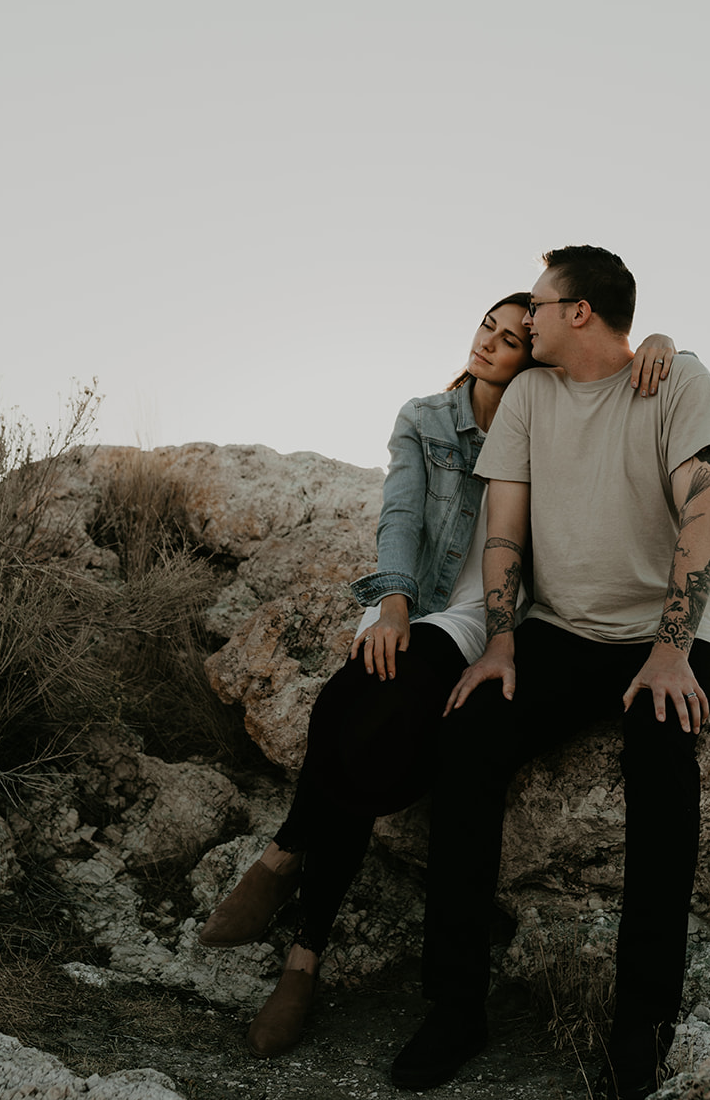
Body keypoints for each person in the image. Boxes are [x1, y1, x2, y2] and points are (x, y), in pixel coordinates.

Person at [197, 290, 677, 1059]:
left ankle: (293, 896)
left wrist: (657, 338)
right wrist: (389, 604)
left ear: (541, 355)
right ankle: (298, 936)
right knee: (356, 702)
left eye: (513, 338)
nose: (488, 343)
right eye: (486, 327)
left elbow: (620, 385)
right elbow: (400, 514)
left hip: (485, 618)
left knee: (382, 727)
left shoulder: (547, 421)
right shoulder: (426, 418)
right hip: (415, 597)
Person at [390, 245, 710, 1100]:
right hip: (560, 632)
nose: (527, 317)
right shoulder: (533, 398)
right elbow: (503, 530)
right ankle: (455, 1007)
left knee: (661, 761)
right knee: (467, 739)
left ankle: (639, 1035)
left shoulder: (679, 381)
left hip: (668, 629)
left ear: (577, 311)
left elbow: (704, 510)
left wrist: (669, 648)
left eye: (538, 304)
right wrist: (500, 645)